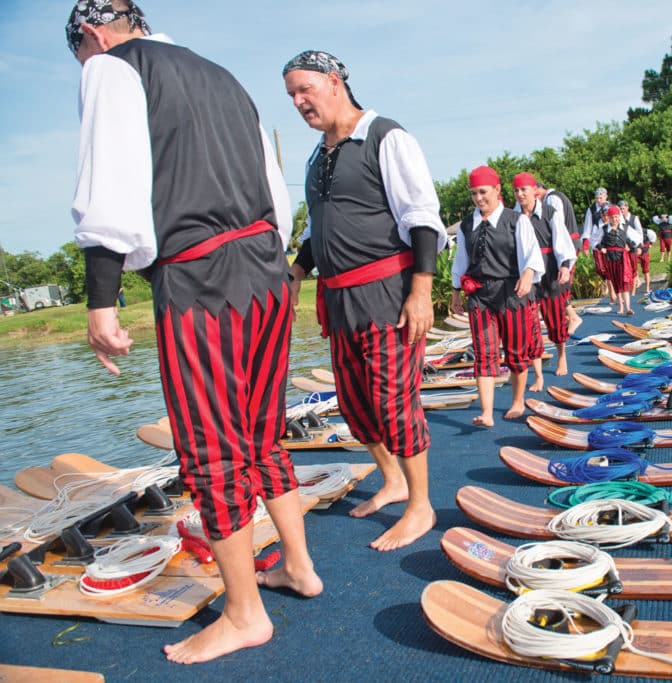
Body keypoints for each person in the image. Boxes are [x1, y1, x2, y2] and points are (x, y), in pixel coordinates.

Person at [66, 1, 320, 664]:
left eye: (80, 59)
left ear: (93, 35)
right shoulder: (221, 73)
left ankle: (243, 613)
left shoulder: (114, 67)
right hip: (266, 267)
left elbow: (109, 177)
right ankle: (299, 565)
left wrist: (103, 298)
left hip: (203, 278)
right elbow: (277, 189)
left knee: (212, 447)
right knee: (262, 430)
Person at [283, 51, 447, 553]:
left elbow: (421, 216)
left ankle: (420, 505)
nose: (298, 102)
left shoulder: (385, 136)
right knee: (355, 406)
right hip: (338, 300)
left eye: (305, 89)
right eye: (291, 95)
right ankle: (392, 479)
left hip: (386, 291)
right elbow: (315, 231)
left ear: (334, 82)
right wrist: (295, 273)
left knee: (393, 400)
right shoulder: (317, 155)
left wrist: (422, 290)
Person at [450, 166, 543, 426]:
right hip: (479, 294)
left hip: (511, 293)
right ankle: (487, 412)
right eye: (474, 193)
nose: (479, 198)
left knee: (515, 352)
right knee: (484, 353)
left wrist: (527, 274)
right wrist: (456, 291)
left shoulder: (516, 220)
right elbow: (461, 260)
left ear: (497, 190)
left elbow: (532, 254)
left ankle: (517, 401)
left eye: (483, 192)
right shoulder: (467, 225)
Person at [512, 173, 576, 387]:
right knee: (530, 324)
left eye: (524, 190)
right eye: (517, 190)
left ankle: (561, 355)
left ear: (534, 191)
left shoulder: (550, 213)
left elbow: (562, 241)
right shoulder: (512, 217)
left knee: (555, 319)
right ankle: (538, 375)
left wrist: (565, 266)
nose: (520, 194)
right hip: (526, 275)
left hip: (549, 270)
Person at [537, 182, 583, 336]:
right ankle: (569, 317)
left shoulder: (551, 200)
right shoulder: (557, 196)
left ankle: (572, 317)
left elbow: (557, 225)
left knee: (560, 284)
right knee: (559, 285)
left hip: (565, 246)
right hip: (569, 243)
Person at [596, 206, 636, 315]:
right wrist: (601, 248)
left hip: (622, 259)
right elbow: (595, 241)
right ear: (608, 218)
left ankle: (628, 308)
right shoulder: (604, 229)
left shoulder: (625, 228)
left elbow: (636, 239)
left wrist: (631, 247)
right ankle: (621, 307)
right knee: (616, 282)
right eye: (612, 217)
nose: (615, 219)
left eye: (617, 217)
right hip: (610, 259)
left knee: (625, 282)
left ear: (619, 217)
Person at [618, 200, 643, 295]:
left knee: (634, 269)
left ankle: (633, 293)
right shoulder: (618, 219)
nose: (621, 210)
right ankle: (628, 291)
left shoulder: (634, 218)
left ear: (627, 208)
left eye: (623, 208)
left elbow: (639, 232)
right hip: (623, 248)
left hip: (633, 247)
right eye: (620, 209)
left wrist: (639, 246)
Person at [581, 187, 611, 253]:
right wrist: (585, 245)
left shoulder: (612, 207)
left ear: (606, 196)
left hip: (610, 243)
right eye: (597, 198)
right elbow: (587, 228)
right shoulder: (591, 210)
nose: (598, 200)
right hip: (596, 243)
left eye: (601, 198)